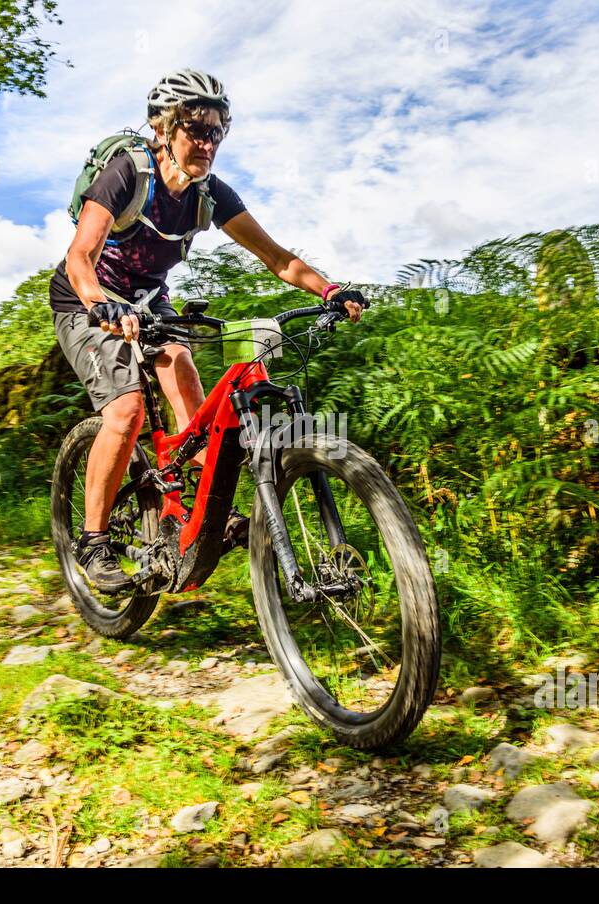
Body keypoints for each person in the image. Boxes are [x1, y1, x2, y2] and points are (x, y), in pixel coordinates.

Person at [50, 68, 368, 593]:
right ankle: (93, 539)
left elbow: (277, 258)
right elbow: (80, 256)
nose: (206, 141)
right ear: (163, 128)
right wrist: (101, 303)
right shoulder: (129, 175)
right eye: (195, 127)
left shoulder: (212, 194)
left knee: (190, 389)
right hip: (86, 298)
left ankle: (196, 510)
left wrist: (331, 291)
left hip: (152, 302)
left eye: (216, 131)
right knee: (126, 410)